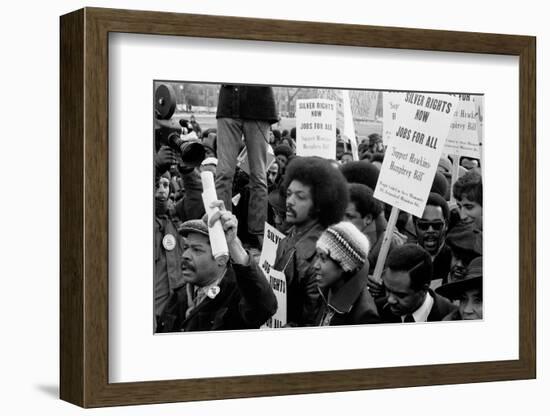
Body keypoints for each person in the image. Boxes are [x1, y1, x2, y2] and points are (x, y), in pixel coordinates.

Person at [156, 202, 277, 332]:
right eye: (186, 248)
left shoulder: (237, 296)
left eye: (197, 250)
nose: (185, 255)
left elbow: (265, 307)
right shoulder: (178, 297)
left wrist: (233, 243)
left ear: (221, 259)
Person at [273, 157, 349, 326]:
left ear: (320, 204)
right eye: (289, 194)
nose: (290, 201)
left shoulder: (322, 257)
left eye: (300, 197)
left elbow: (311, 321)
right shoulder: (287, 238)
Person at [215, 85, 279, 249]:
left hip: (258, 107)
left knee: (259, 176)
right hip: (229, 104)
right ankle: (222, 228)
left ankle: (258, 234)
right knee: (224, 173)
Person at [313, 222, 380, 326]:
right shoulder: (326, 290)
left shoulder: (364, 316)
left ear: (345, 265)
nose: (315, 265)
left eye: (323, 258)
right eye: (317, 256)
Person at [378, 244, 457, 323]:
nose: (390, 300)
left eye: (400, 295)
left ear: (423, 290)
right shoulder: (376, 311)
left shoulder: (454, 319)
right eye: (388, 290)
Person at [413, 192, 452, 287]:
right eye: (423, 225)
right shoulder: (403, 257)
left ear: (446, 225)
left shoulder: (454, 261)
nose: (430, 230)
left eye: (437, 225)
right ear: (414, 225)